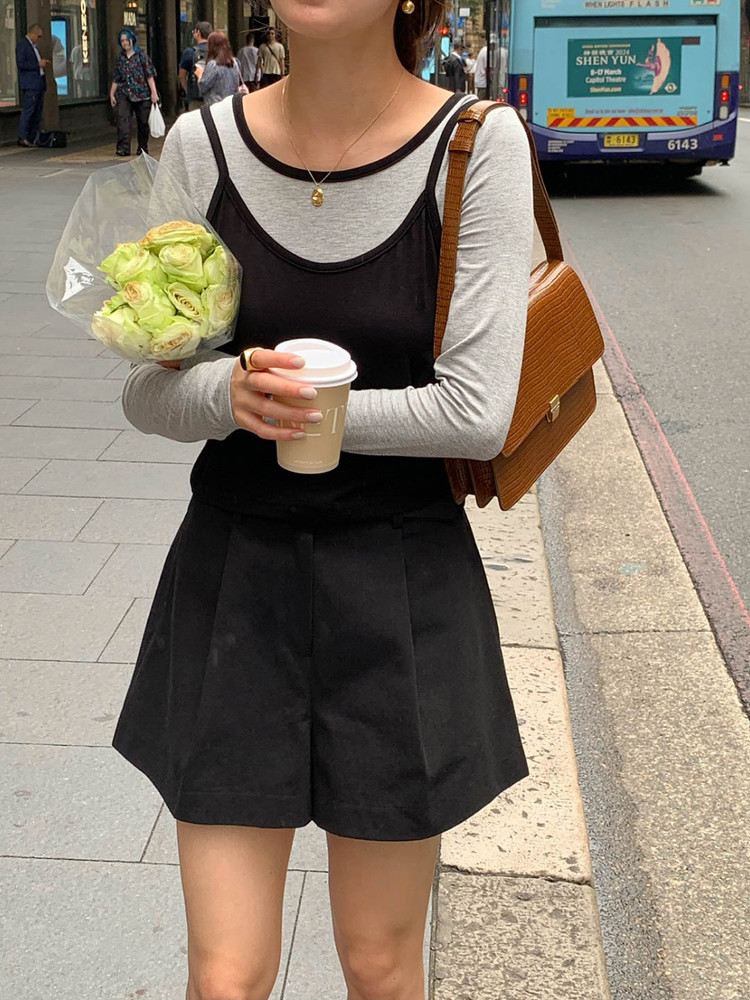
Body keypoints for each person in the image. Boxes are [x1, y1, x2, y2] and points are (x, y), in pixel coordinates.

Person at [112, 2, 532, 999]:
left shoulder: (477, 145)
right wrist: (227, 394)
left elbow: (476, 413)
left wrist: (298, 410)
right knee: (224, 975)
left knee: (380, 967)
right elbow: (145, 388)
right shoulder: (201, 144)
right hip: (234, 575)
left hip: (398, 580)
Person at [110, 28, 159, 157]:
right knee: (123, 120)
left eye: (127, 40)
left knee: (142, 122)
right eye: (122, 41)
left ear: (132, 40)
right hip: (124, 93)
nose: (125, 43)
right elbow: (117, 77)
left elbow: (149, 75)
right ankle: (123, 148)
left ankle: (142, 147)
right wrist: (112, 93)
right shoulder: (120, 58)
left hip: (142, 93)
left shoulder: (141, 55)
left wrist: (153, 92)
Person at [15, 23, 49, 148]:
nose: (38, 39)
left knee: (37, 112)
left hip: (38, 83)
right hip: (30, 84)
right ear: (32, 33)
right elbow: (21, 64)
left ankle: (33, 136)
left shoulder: (34, 47)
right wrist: (38, 64)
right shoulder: (23, 45)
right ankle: (23, 136)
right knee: (28, 110)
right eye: (38, 36)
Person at [195, 31, 243, 106]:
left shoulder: (213, 65)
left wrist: (200, 75)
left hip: (215, 106)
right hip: (231, 104)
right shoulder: (235, 62)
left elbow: (203, 87)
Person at [178, 21, 212, 110]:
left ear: (198, 33)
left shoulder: (189, 52)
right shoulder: (215, 50)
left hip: (195, 98)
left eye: (194, 32)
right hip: (213, 98)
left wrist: (188, 91)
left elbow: (181, 76)